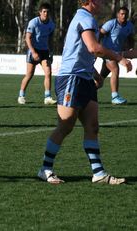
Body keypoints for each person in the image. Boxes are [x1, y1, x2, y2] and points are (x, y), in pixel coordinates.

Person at [37, 0, 132, 185]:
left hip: (84, 79)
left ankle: (98, 173)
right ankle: (45, 168)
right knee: (65, 126)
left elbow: (84, 52)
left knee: (92, 126)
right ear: (90, 1)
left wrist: (94, 74)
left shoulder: (88, 19)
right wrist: (120, 58)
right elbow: (93, 48)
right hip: (72, 78)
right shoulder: (84, 18)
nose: (105, 3)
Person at [17, 2, 57, 105]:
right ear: (40, 12)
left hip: (44, 51)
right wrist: (33, 52)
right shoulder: (33, 22)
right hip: (33, 50)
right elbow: (27, 38)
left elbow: (51, 40)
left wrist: (51, 53)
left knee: (48, 73)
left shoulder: (51, 25)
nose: (46, 14)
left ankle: (47, 97)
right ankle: (21, 95)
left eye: (48, 12)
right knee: (29, 75)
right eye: (44, 12)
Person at [99, 6, 134, 105]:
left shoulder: (130, 26)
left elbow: (131, 38)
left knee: (100, 81)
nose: (124, 16)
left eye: (125, 14)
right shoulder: (111, 24)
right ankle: (115, 97)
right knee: (115, 69)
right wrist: (97, 49)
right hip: (107, 52)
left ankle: (84, 94)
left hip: (117, 54)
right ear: (118, 14)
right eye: (122, 14)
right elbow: (100, 34)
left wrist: (130, 48)